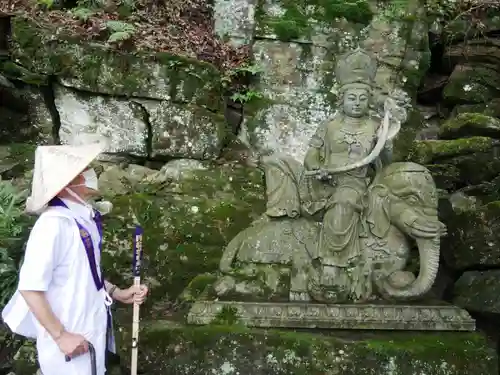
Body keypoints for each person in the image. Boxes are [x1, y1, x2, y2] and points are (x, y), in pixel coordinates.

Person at [1, 141, 149, 375]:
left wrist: (116, 292)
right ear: (67, 182)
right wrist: (61, 336)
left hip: (89, 334)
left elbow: (83, 274)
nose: (91, 172)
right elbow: (30, 287)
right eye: (83, 170)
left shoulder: (81, 219)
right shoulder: (53, 225)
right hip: (69, 345)